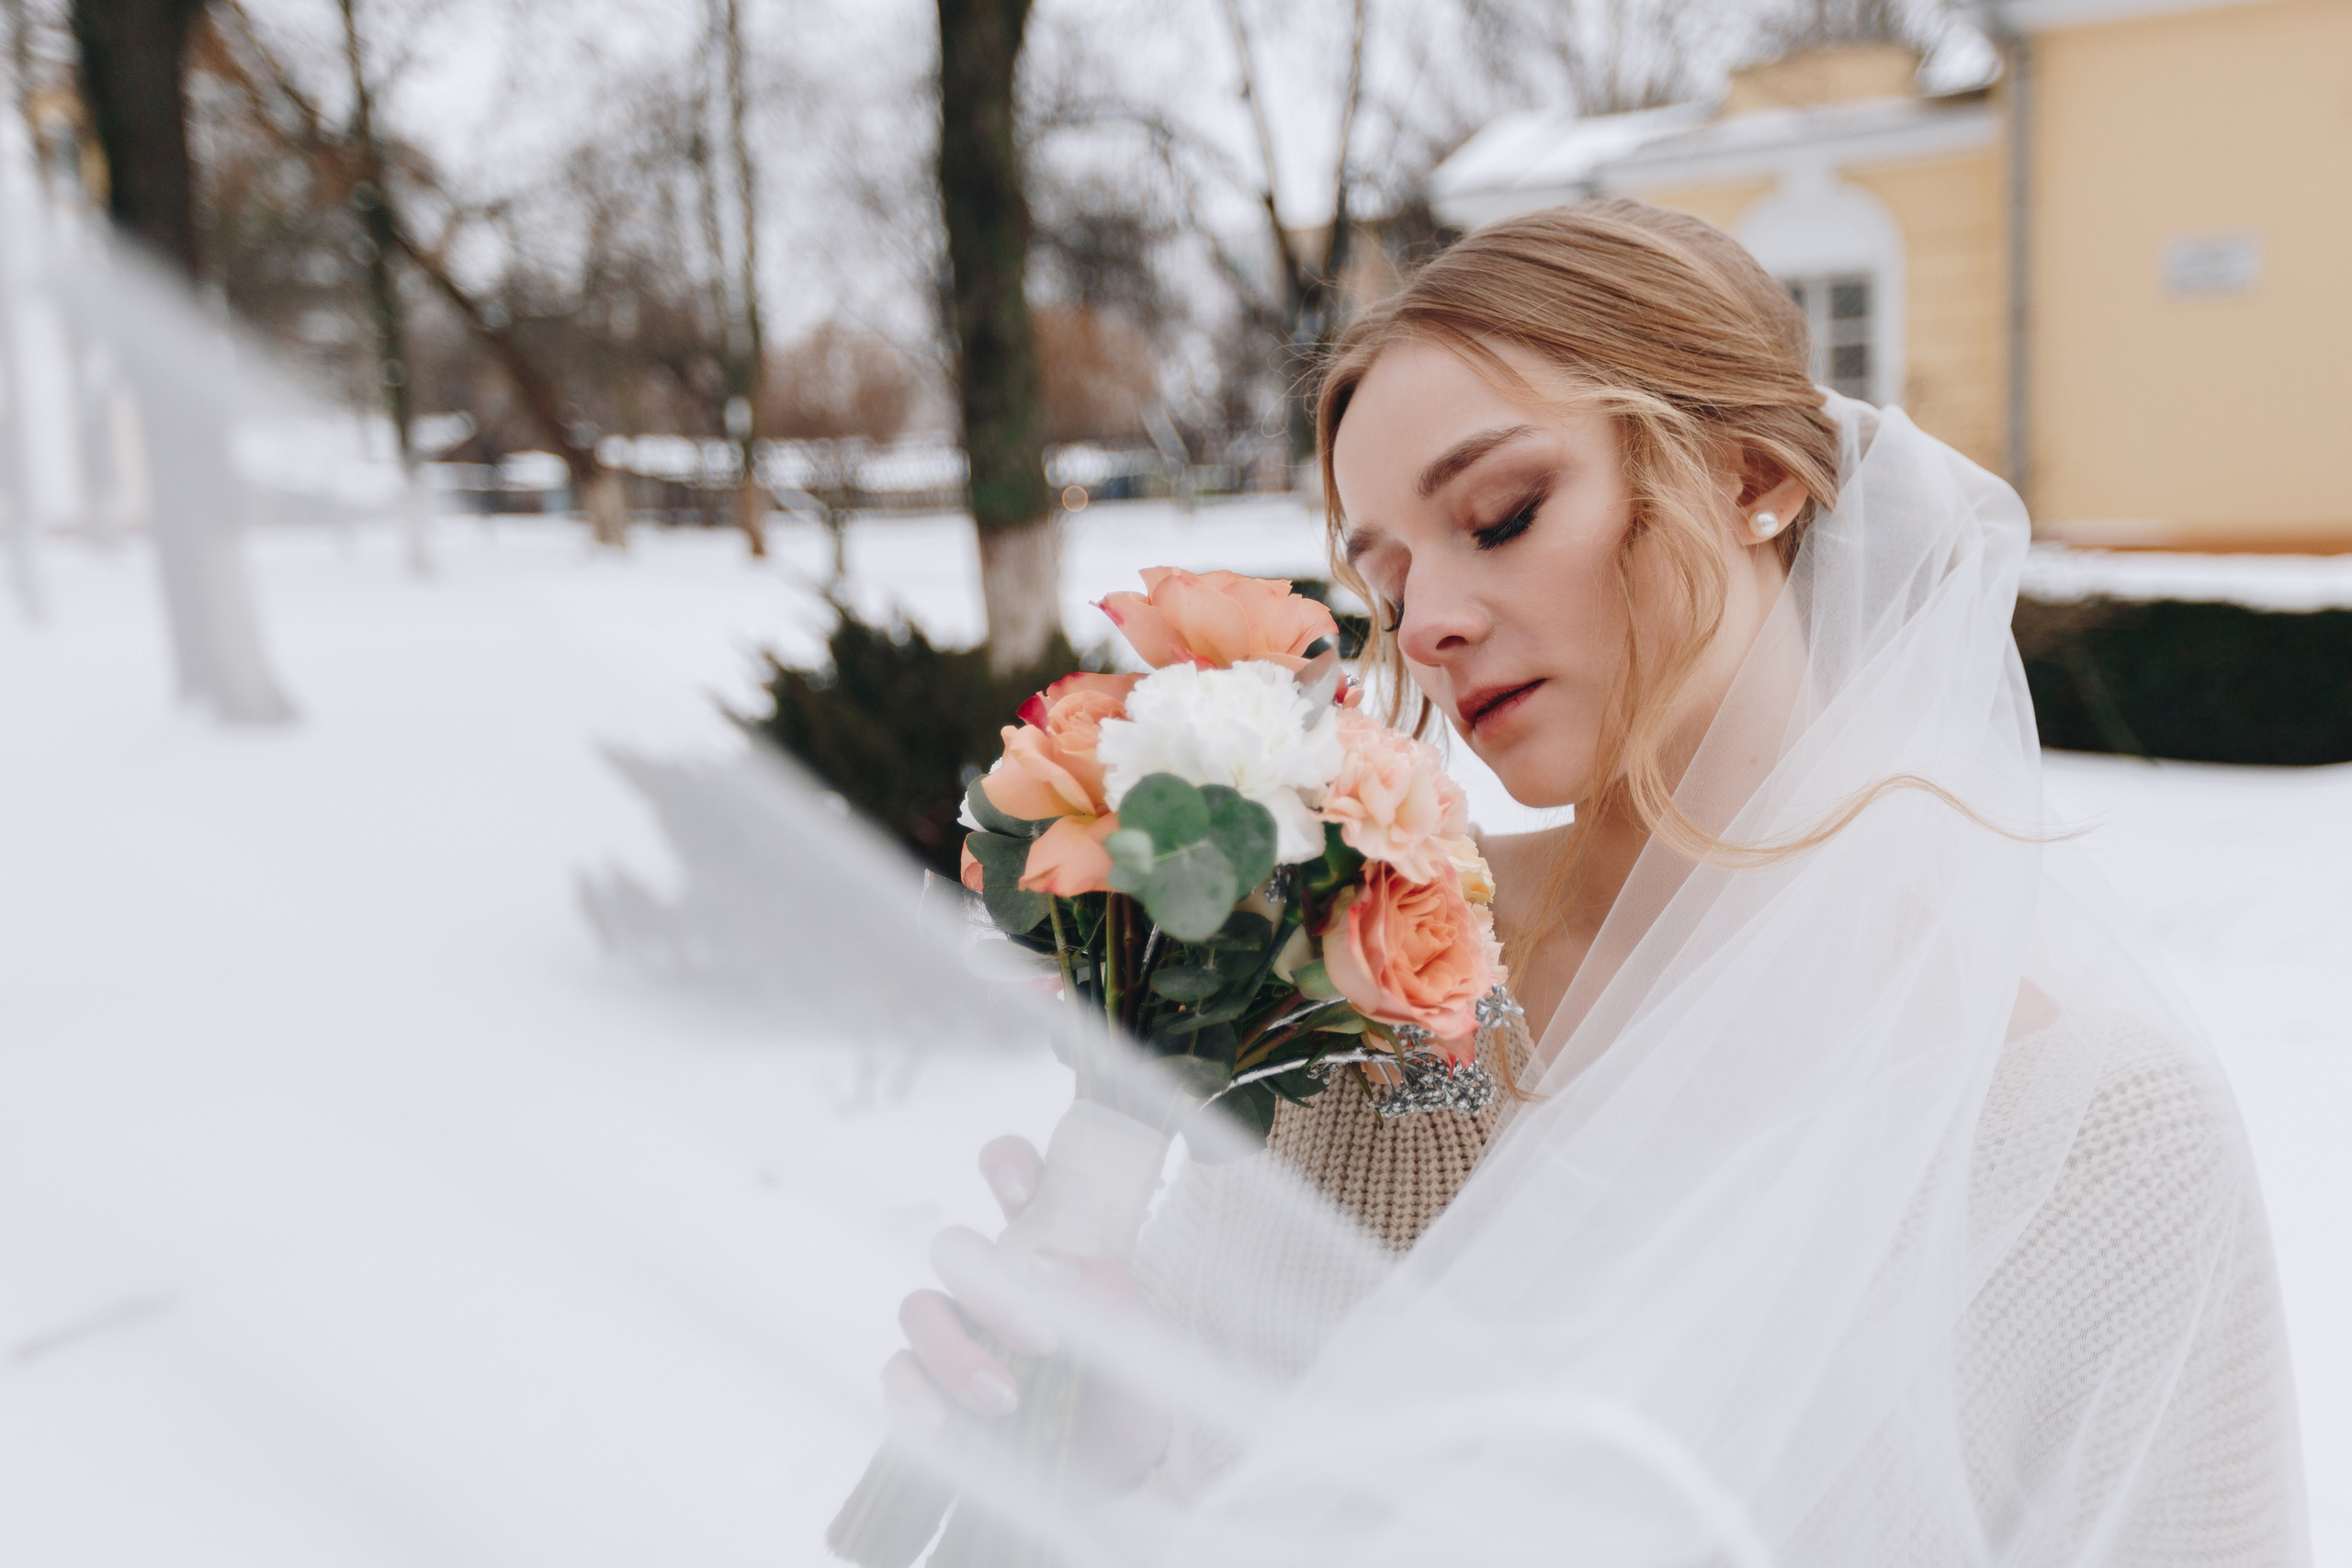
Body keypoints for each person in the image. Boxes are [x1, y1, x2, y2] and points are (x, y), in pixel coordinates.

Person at [881, 201, 2310, 1566]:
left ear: (1754, 476)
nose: (1428, 624)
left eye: (1499, 514)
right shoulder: (1364, 983)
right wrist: (1103, 1424)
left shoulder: (2098, 1139)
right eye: (1383, 580)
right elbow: (1231, 1471)